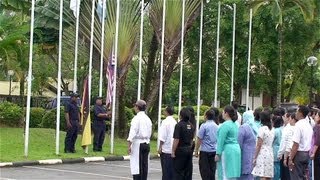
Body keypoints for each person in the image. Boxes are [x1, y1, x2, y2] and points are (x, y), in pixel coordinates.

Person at [127, 100, 152, 180]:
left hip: (138, 143)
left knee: (137, 166)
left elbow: (132, 132)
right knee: (144, 165)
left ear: (137, 107)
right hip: (146, 142)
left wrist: (129, 145)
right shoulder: (148, 119)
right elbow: (150, 131)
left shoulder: (136, 118)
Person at [215, 105, 241, 180]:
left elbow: (221, 140)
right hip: (236, 149)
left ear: (226, 113)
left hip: (227, 150)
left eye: (223, 112)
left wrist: (218, 153)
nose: (222, 114)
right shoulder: (235, 124)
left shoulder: (225, 125)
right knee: (233, 172)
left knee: (224, 172)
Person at [288, 105, 313, 180]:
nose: (295, 113)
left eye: (297, 111)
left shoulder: (298, 125)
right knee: (304, 176)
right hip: (307, 153)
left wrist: (290, 159)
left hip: (299, 154)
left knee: (296, 176)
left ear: (300, 113)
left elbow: (295, 144)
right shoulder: (308, 125)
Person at [172, 107, 195, 180]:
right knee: (187, 171)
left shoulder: (179, 125)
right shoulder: (191, 125)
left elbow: (176, 139)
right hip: (188, 149)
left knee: (178, 171)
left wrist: (173, 151)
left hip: (180, 150)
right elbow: (192, 139)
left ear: (180, 115)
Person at [195, 109, 219, 180]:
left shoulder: (204, 126)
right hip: (214, 151)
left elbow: (199, 139)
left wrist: (196, 150)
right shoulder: (216, 126)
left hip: (205, 152)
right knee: (212, 171)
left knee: (204, 172)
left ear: (206, 116)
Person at [252, 111, 275, 180]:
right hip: (270, 152)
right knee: (268, 174)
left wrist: (255, 157)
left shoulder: (262, 129)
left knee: (262, 174)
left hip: (262, 152)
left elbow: (259, 145)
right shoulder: (272, 129)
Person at [158, 106, 177, 180]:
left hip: (166, 149)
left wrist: (160, 147)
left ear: (167, 112)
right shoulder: (175, 122)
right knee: (172, 171)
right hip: (172, 148)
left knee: (166, 172)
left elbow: (163, 136)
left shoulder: (165, 122)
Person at [238, 111, 257, 180]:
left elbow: (238, 142)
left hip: (244, 155)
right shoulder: (255, 127)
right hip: (252, 155)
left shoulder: (243, 127)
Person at [277, 113, 294, 180]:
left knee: (285, 175)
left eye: (284, 116)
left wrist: (280, 154)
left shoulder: (287, 129)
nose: (283, 118)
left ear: (288, 118)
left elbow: (284, 143)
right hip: (291, 153)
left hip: (286, 154)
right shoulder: (293, 127)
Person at [272, 115, 283, 180]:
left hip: (274, 150)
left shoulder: (274, 131)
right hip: (280, 148)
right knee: (278, 166)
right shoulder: (281, 130)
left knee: (275, 167)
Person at [310, 110, 320, 179]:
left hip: (317, 153)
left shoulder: (318, 127)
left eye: (316, 115)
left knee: (316, 172)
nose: (315, 117)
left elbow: (317, 141)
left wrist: (313, 152)